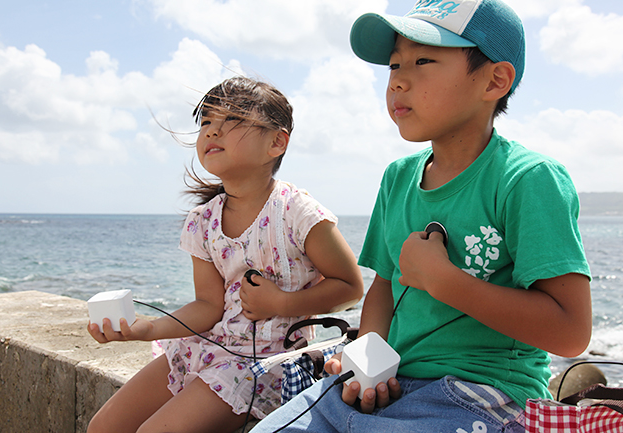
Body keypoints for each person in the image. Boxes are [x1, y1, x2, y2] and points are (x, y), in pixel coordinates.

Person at [250, 1, 592, 432]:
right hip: (391, 383)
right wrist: (367, 362)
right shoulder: (398, 178)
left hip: (482, 392)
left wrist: (444, 281)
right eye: (394, 66)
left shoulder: (528, 179)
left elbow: (570, 331)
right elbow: (383, 287)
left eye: (423, 60)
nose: (398, 82)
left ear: (495, 80)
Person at [86, 77, 364, 433]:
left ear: (276, 142)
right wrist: (148, 328)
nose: (211, 133)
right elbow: (207, 306)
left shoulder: (296, 213)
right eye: (205, 124)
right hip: (204, 346)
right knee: (103, 427)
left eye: (230, 121)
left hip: (263, 362)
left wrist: (280, 303)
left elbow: (350, 286)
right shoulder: (203, 221)